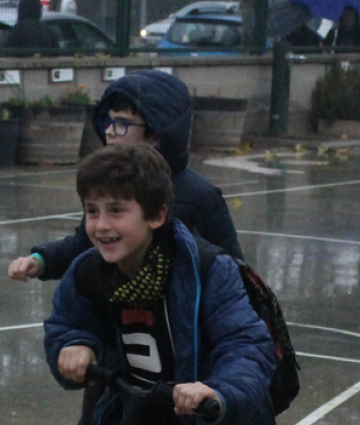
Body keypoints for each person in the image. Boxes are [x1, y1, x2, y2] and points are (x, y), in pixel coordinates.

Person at [43, 145, 276, 425]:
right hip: (131, 412)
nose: (101, 225)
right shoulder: (87, 271)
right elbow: (67, 325)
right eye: (92, 211)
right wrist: (76, 346)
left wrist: (219, 390)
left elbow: (247, 345)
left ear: (156, 216)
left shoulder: (207, 270)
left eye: (116, 210)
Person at [8, 70, 244, 283]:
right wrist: (41, 260)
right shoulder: (108, 186)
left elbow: (232, 269)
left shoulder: (200, 196)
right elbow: (82, 246)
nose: (110, 132)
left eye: (122, 123)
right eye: (108, 121)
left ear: (155, 133)